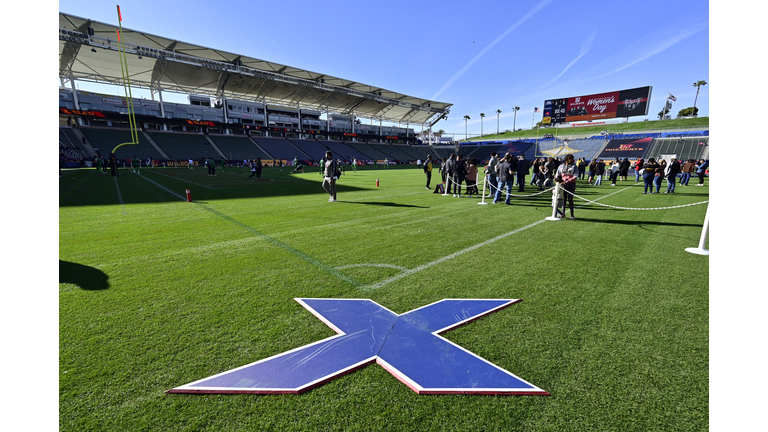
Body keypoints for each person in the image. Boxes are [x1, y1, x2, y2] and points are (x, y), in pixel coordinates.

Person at [555, 154, 579, 220]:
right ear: (567, 159)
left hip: (571, 184)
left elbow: (575, 176)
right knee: (563, 199)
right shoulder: (561, 166)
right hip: (562, 185)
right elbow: (557, 175)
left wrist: (567, 181)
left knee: (570, 199)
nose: (572, 160)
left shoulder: (574, 166)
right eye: (571, 159)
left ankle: (572, 214)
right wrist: (557, 181)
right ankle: (563, 213)